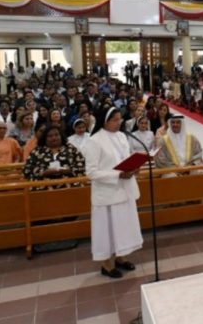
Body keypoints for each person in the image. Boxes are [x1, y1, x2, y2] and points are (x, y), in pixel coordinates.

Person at [81, 107, 142, 279]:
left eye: (120, 119)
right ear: (104, 121)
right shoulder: (94, 141)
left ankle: (121, 257)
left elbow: (125, 159)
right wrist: (118, 175)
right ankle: (106, 265)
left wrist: (134, 167)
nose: (119, 122)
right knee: (107, 230)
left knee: (123, 227)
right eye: (115, 120)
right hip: (107, 193)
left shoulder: (122, 136)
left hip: (125, 189)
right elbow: (91, 172)